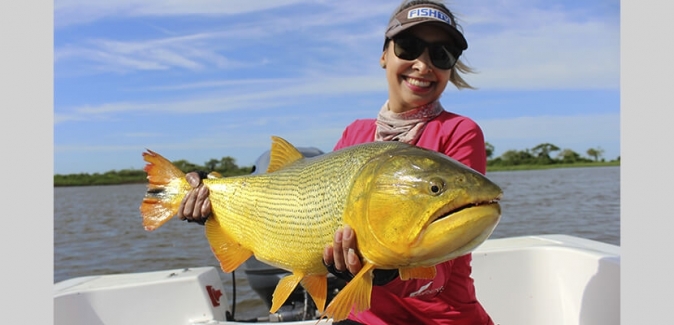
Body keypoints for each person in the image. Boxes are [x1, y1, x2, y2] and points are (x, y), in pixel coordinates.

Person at [179, 0, 494, 324]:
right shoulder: (356, 133)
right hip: (363, 316)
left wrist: (388, 272)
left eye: (441, 54)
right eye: (409, 46)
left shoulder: (459, 132)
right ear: (384, 54)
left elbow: (440, 270)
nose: (423, 64)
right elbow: (302, 212)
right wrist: (217, 204)